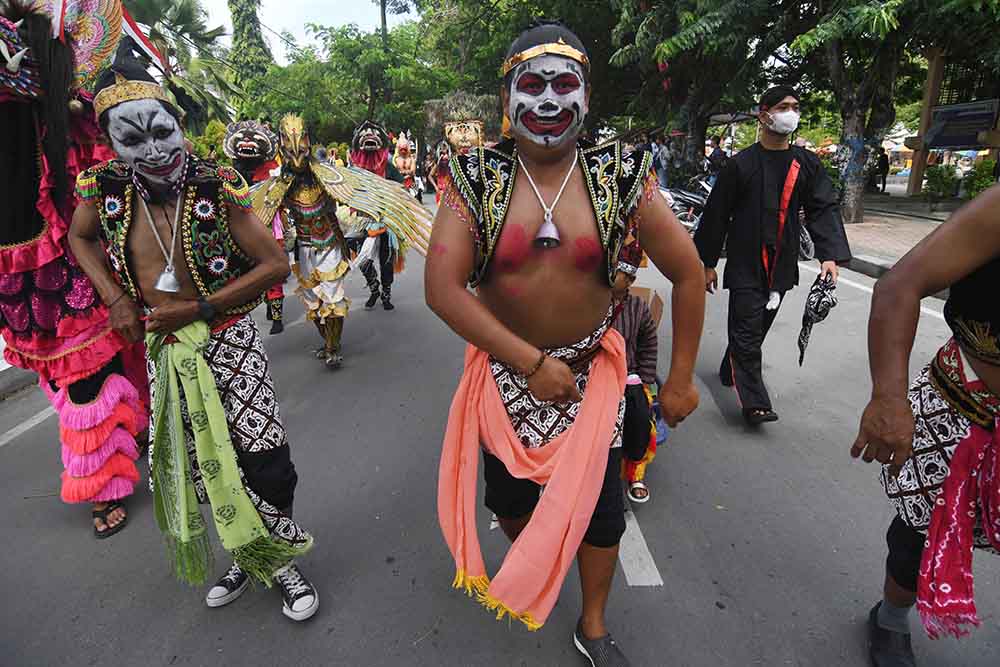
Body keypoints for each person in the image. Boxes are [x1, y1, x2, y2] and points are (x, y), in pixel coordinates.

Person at [426, 20, 705, 666]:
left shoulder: (621, 175)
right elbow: (442, 289)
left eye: (563, 83)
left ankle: (594, 623)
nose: (548, 100)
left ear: (586, 96)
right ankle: (542, 553)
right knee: (513, 503)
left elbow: (688, 272)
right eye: (531, 84)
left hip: (590, 380)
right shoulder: (473, 178)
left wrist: (682, 377)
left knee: (603, 514)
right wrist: (527, 363)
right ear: (507, 100)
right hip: (506, 379)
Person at [68, 51, 320, 620]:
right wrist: (115, 300)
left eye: (164, 131)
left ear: (179, 127)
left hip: (228, 338)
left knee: (266, 460)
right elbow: (78, 239)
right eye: (134, 138)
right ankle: (245, 554)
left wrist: (199, 307)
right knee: (208, 464)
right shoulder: (102, 185)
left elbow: (275, 264)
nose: (154, 149)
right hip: (169, 351)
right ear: (110, 142)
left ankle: (280, 560)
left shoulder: (214, 183)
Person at [0, 8, 149, 539]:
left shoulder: (55, 42)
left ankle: (105, 482)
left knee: (88, 367)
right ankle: (124, 434)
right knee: (56, 368)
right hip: (11, 239)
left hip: (65, 222)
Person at [851, 184, 1000, 666]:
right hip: (963, 402)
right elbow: (898, 285)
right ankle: (891, 619)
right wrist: (889, 399)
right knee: (922, 529)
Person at [694, 85, 852, 426]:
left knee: (757, 326)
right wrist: (707, 264)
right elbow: (716, 215)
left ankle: (730, 365)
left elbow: (822, 207)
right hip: (746, 260)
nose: (791, 113)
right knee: (749, 326)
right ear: (764, 114)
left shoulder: (805, 164)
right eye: (783, 106)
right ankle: (755, 402)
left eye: (795, 106)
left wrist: (829, 255)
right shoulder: (741, 165)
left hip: (782, 263)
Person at [222, 120, 287, 335]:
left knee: (273, 270)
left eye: (254, 140)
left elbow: (280, 197)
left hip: (269, 226)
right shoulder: (229, 176)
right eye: (243, 139)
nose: (248, 143)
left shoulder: (273, 172)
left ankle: (277, 316)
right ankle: (265, 304)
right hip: (241, 231)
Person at [611, 239, 660, 504]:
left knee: (640, 419)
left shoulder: (638, 308)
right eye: (622, 273)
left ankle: (636, 475)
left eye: (629, 275)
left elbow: (649, 342)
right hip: (595, 377)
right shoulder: (592, 304)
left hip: (630, 377)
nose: (626, 280)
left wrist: (645, 380)